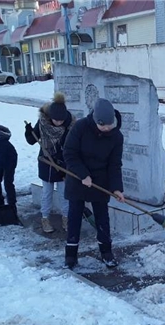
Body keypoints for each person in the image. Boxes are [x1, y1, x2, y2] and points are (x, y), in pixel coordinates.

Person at [63, 98, 125, 269]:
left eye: (109, 125)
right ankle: (71, 255)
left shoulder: (116, 136)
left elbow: (115, 164)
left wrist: (117, 188)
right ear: (95, 120)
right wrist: (83, 174)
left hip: (101, 181)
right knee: (74, 217)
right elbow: (69, 153)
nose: (106, 129)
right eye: (103, 125)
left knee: (102, 218)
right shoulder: (80, 127)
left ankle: (106, 252)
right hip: (78, 178)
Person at [25, 92, 74, 233]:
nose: (58, 123)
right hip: (46, 163)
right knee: (47, 193)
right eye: (55, 120)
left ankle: (66, 218)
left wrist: (65, 165)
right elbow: (31, 141)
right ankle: (45, 218)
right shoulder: (42, 124)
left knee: (64, 193)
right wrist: (28, 132)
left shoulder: (69, 126)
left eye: (61, 120)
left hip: (63, 165)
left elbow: (71, 147)